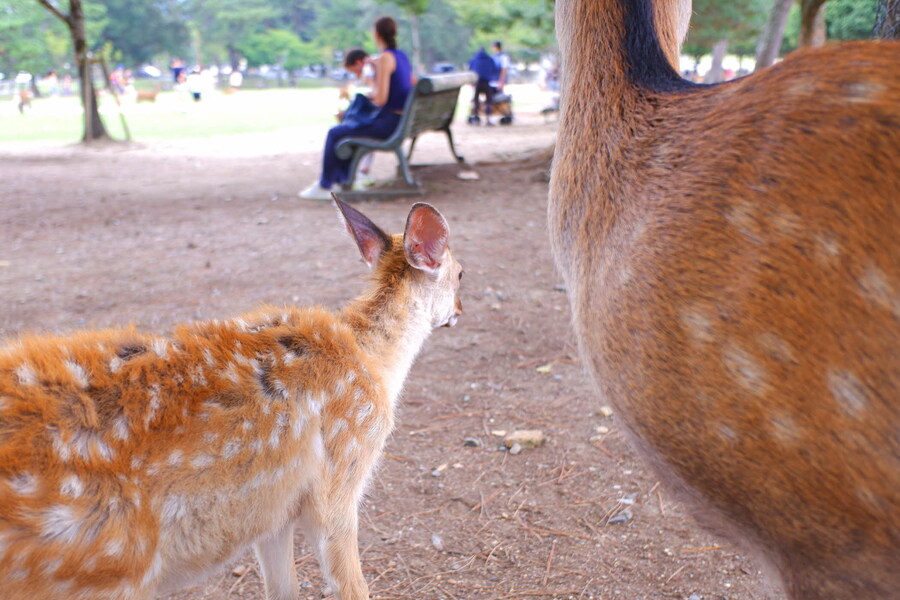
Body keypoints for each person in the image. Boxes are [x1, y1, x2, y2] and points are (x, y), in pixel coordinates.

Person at [299, 17, 414, 200]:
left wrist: (374, 77)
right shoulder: (402, 57)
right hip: (400, 120)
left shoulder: (386, 58)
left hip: (389, 124)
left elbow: (381, 98)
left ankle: (325, 184)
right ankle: (344, 178)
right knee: (348, 126)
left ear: (376, 35)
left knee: (336, 133)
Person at [467, 47, 498, 126]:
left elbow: (470, 71)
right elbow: (494, 70)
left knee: (476, 100)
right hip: (487, 83)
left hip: (477, 83)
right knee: (488, 101)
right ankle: (488, 118)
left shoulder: (473, 60)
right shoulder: (490, 60)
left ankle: (475, 117)